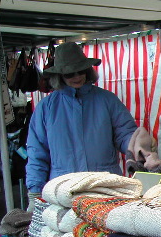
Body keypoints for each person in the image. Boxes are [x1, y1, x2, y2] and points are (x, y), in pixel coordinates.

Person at [25, 42, 139, 208]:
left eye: (81, 71)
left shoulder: (107, 100)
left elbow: (125, 133)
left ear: (88, 71)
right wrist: (35, 192)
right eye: (70, 74)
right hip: (64, 189)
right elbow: (37, 153)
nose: (77, 77)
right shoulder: (46, 107)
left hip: (104, 187)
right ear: (60, 76)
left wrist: (138, 148)